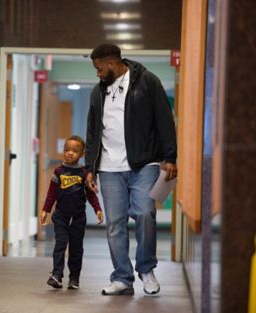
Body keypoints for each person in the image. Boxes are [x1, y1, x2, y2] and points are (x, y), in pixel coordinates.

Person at [85, 43, 178, 296]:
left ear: (113, 64)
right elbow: (93, 132)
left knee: (145, 213)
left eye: (100, 69)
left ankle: (146, 269)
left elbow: (165, 121)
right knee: (115, 224)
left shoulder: (147, 82)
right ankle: (122, 278)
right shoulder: (98, 92)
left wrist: (170, 156)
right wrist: (90, 167)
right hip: (108, 167)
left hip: (144, 162)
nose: (98, 74)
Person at [40, 135, 104, 290]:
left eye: (74, 151)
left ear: (81, 154)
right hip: (61, 216)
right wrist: (45, 210)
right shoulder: (59, 171)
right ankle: (57, 275)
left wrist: (97, 209)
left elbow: (90, 194)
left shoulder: (84, 173)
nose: (69, 153)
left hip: (78, 218)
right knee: (60, 244)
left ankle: (74, 278)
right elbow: (51, 193)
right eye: (66, 150)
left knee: (76, 248)